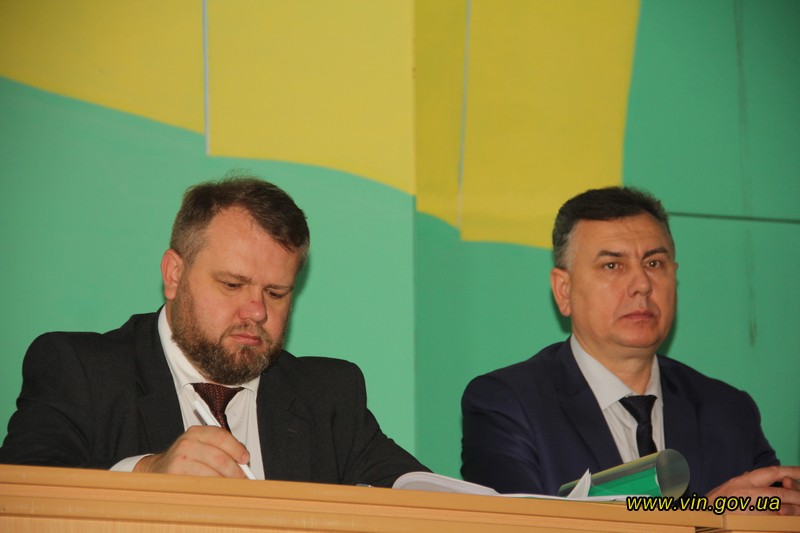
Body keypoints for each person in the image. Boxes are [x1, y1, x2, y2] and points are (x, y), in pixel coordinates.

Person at [0, 175, 426, 487]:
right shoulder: (80, 372)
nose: (257, 311)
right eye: (233, 285)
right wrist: (145, 473)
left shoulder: (328, 397)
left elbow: (424, 497)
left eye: (276, 293)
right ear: (174, 274)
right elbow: (23, 493)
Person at [461, 186, 799, 514]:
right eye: (613, 265)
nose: (642, 285)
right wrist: (707, 516)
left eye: (654, 264)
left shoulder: (729, 411)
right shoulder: (508, 405)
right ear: (564, 290)